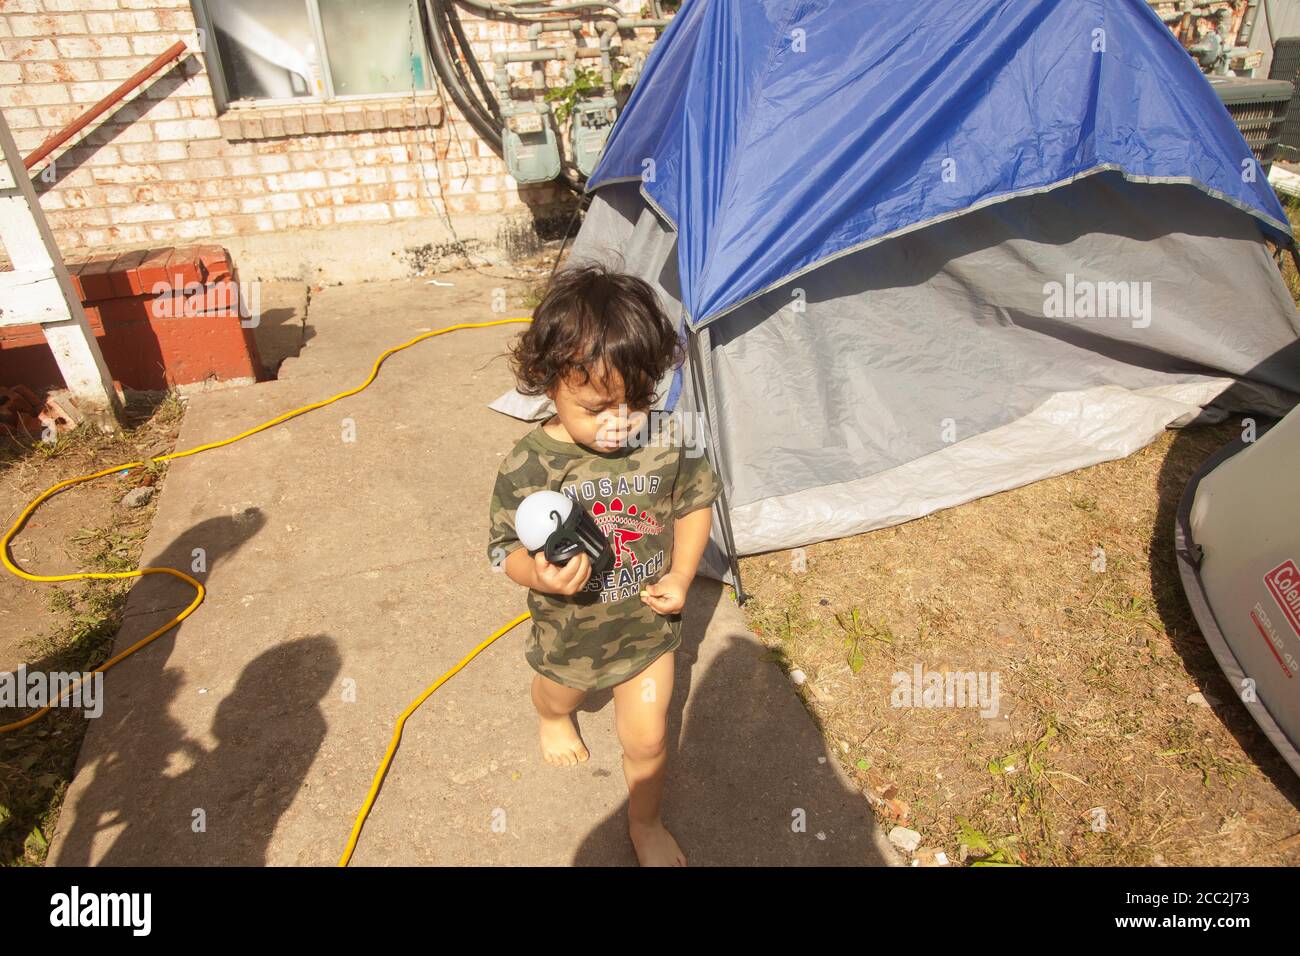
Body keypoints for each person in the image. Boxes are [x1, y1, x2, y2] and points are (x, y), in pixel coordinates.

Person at [486, 261, 722, 866]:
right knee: (559, 696)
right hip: (570, 631)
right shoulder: (529, 465)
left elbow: (695, 503)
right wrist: (535, 574)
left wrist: (681, 573)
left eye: (635, 403)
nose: (619, 424)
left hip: (646, 632)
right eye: (596, 408)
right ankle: (552, 718)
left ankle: (644, 822)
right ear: (546, 381)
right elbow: (501, 550)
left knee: (647, 739)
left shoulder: (670, 440)